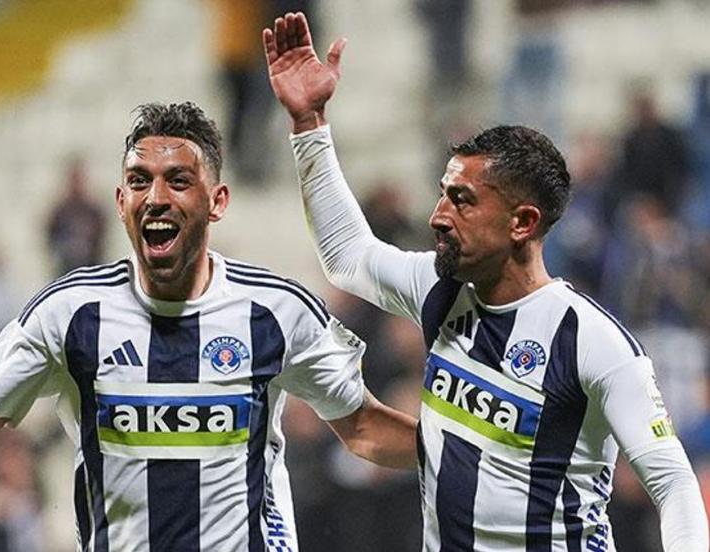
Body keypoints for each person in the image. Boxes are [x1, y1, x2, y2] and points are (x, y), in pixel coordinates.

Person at [0, 101, 418, 550]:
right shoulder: (69, 314)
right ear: (121, 203)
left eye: (178, 181)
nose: (157, 197)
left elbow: (362, 427)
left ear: (217, 201)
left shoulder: (276, 310)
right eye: (140, 181)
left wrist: (458, 451)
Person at [264, 12, 709, 551]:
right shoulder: (439, 290)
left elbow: (672, 482)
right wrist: (309, 124)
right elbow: (347, 256)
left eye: (462, 200)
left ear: (522, 222)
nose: (438, 216)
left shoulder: (592, 341)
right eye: (442, 194)